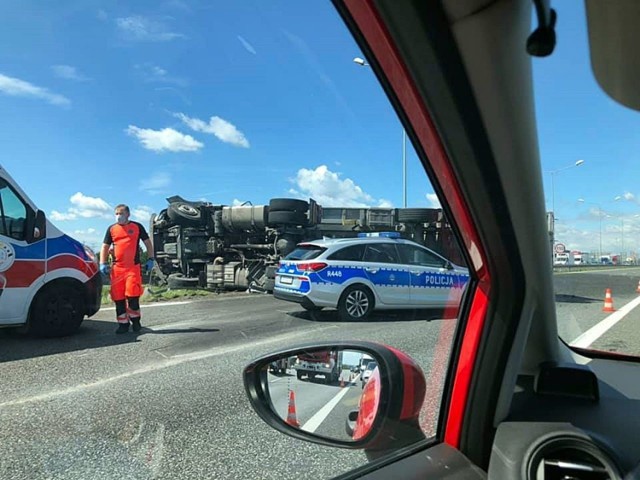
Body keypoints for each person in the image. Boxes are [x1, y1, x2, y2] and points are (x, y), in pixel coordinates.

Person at [100, 204, 155, 334]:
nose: (118, 216)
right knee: (118, 298)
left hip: (132, 268)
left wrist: (151, 258)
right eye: (116, 214)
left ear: (128, 214)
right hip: (117, 269)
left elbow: (147, 243)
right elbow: (105, 247)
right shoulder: (112, 229)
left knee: (132, 296)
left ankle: (136, 322)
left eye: (121, 213)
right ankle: (123, 324)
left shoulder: (137, 227)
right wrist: (103, 263)